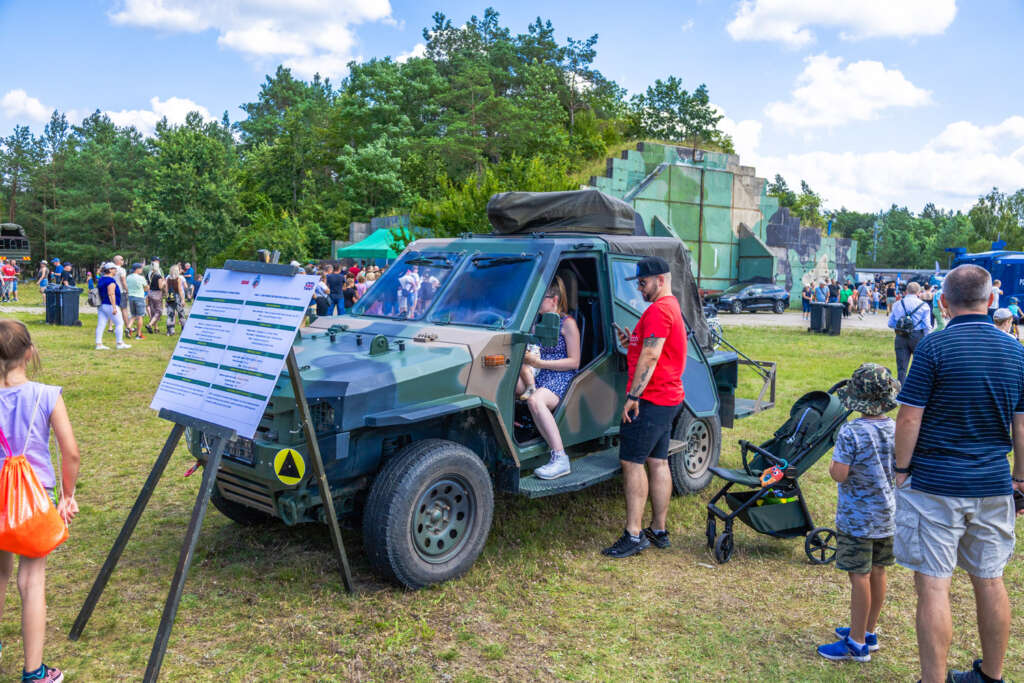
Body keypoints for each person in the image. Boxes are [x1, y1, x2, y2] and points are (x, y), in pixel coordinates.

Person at [893, 264, 1024, 683]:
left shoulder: (933, 348)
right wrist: (1020, 478)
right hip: (992, 482)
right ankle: (992, 676)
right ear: (991, 301)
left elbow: (909, 418)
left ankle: (933, 679)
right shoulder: (1016, 352)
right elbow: (1022, 425)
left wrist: (900, 469)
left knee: (933, 585)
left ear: (944, 303)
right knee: (989, 580)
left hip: (935, 485)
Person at [0, 319, 81, 683]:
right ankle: (34, 672)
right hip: (33, 501)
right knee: (31, 580)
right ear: (29, 353)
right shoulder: (47, 395)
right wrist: (67, 496)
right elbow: (71, 453)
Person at [603, 256, 686, 558]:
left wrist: (634, 396)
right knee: (657, 461)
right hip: (668, 397)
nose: (640, 288)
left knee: (632, 462)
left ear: (661, 280)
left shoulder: (658, 310)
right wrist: (632, 342)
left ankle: (633, 535)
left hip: (651, 399)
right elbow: (651, 349)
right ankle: (659, 530)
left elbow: (651, 358)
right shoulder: (670, 307)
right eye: (638, 283)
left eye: (644, 283)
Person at [816, 363, 898, 663]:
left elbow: (839, 474)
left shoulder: (851, 431)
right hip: (888, 516)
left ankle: (856, 642)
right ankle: (869, 630)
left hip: (857, 520)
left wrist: (833, 465)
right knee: (879, 571)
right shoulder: (894, 428)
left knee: (859, 577)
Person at [515, 277, 581, 480]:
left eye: (540, 298)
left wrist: (540, 364)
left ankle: (560, 458)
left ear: (554, 299)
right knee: (503, 383)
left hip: (560, 375)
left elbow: (574, 362)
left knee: (535, 400)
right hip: (537, 373)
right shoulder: (536, 322)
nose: (536, 302)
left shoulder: (567, 323)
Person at [887, 281, 931, 386]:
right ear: (919, 292)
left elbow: (890, 323)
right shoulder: (924, 305)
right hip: (917, 336)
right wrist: (927, 340)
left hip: (901, 336)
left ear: (906, 291)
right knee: (919, 366)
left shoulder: (898, 304)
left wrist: (902, 327)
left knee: (902, 367)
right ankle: (915, 388)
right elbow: (927, 326)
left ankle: (901, 390)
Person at [95, 263, 130, 350]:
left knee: (101, 324)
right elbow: (111, 294)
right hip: (110, 305)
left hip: (101, 305)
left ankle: (98, 344)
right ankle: (119, 343)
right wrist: (114, 307)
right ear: (110, 270)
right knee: (119, 323)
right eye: (114, 269)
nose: (116, 270)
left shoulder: (101, 279)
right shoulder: (110, 281)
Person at [125, 263, 147, 341]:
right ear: (137, 269)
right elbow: (146, 287)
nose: (142, 270)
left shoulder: (128, 277)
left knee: (133, 315)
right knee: (140, 316)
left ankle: (128, 328)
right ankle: (138, 334)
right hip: (139, 297)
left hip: (131, 297)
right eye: (141, 268)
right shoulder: (141, 278)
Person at [164, 265, 186, 335]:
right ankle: (184, 329)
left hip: (170, 297)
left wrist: (166, 300)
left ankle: (170, 331)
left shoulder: (168, 279)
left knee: (170, 314)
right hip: (177, 297)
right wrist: (183, 299)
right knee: (181, 314)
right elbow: (180, 290)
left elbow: (166, 290)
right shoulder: (178, 279)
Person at [145, 261, 164, 334]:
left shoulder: (148, 275)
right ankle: (149, 325)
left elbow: (147, 285)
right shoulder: (158, 275)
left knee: (153, 311)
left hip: (150, 293)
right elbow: (160, 287)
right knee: (159, 311)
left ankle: (156, 328)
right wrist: (164, 283)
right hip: (157, 294)